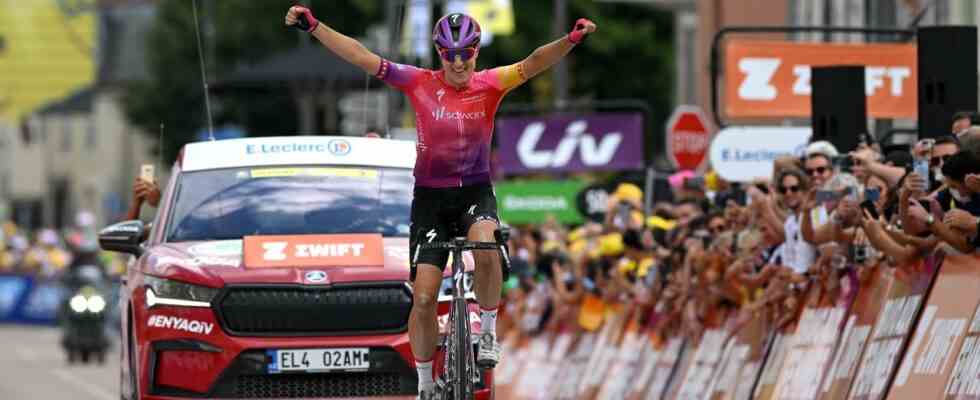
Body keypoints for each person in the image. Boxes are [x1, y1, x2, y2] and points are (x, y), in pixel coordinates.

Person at [284, 6, 597, 398]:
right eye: (450, 54)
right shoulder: (418, 82)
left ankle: (487, 330)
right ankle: (426, 382)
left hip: (474, 192)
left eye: (467, 51)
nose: (460, 61)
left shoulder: (491, 83)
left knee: (485, 243)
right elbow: (361, 56)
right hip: (430, 198)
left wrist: (570, 40)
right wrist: (314, 26)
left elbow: (534, 62)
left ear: (477, 50)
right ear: (439, 54)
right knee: (426, 297)